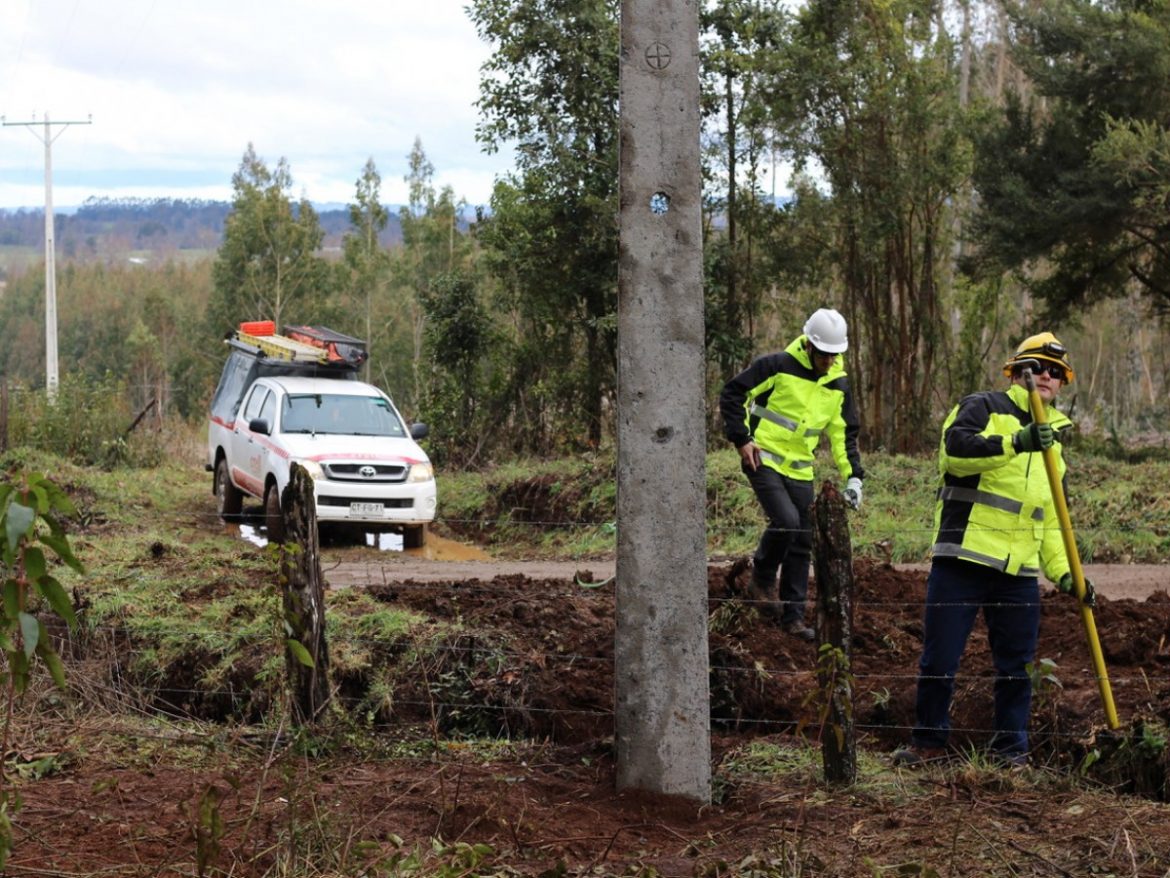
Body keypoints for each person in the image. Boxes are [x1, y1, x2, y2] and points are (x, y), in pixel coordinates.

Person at [893, 332, 1097, 768]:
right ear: (1017, 371)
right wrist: (1016, 442)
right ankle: (927, 745)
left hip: (1018, 572)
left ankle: (1010, 754)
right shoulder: (983, 407)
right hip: (963, 558)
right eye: (1039, 367)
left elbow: (1053, 522)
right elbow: (954, 453)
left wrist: (1067, 576)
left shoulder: (1054, 446)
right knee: (940, 660)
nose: (1046, 375)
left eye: (1056, 372)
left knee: (1017, 669)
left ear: (1062, 383)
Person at [719, 308, 865, 641]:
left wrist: (854, 477)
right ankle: (762, 578)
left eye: (834, 356)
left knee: (802, 539)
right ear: (810, 346)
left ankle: (793, 618)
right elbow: (733, 393)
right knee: (785, 520)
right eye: (824, 355)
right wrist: (742, 439)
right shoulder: (778, 365)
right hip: (763, 458)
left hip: (800, 467)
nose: (828, 362)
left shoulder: (838, 384)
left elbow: (845, 435)